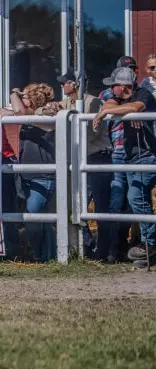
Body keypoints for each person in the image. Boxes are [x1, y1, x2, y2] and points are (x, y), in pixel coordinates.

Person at [93, 65, 156, 269]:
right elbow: (109, 104)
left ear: (123, 86)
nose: (112, 89)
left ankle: (151, 245)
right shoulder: (120, 98)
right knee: (135, 201)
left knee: (136, 198)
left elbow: (136, 107)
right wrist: (111, 110)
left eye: (115, 86)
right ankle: (146, 247)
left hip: (146, 155)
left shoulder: (143, 94)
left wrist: (110, 113)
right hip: (132, 157)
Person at [56, 72, 114, 259]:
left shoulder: (93, 102)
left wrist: (69, 134)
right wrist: (49, 109)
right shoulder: (68, 104)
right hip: (81, 158)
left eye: (65, 83)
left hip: (97, 156)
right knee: (77, 203)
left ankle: (105, 250)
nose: (62, 86)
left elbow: (92, 133)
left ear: (74, 84)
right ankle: (87, 247)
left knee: (99, 205)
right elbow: (45, 114)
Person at [10, 83, 60, 261]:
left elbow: (20, 112)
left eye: (24, 97)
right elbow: (3, 112)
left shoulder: (47, 115)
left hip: (43, 176)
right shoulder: (28, 114)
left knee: (32, 215)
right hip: (26, 175)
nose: (20, 100)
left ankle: (40, 254)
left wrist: (13, 93)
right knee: (40, 218)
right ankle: (47, 256)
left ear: (32, 100)